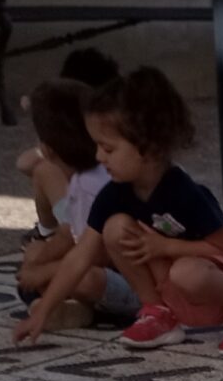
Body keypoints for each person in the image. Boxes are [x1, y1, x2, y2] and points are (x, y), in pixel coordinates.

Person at [11, 66, 223, 357]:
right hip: (166, 282)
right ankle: (157, 312)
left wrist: (165, 246)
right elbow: (81, 256)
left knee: (186, 272)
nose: (98, 157)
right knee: (115, 228)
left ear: (149, 148)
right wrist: (44, 311)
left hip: (206, 283)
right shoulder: (115, 193)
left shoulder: (184, 192)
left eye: (108, 149)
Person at [11, 79, 132, 332]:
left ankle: (78, 305)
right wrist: (41, 258)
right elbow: (71, 235)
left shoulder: (91, 185)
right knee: (38, 260)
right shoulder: (83, 178)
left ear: (47, 150)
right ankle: (70, 306)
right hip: (102, 262)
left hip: (133, 282)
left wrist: (44, 270)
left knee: (78, 278)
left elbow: (97, 255)